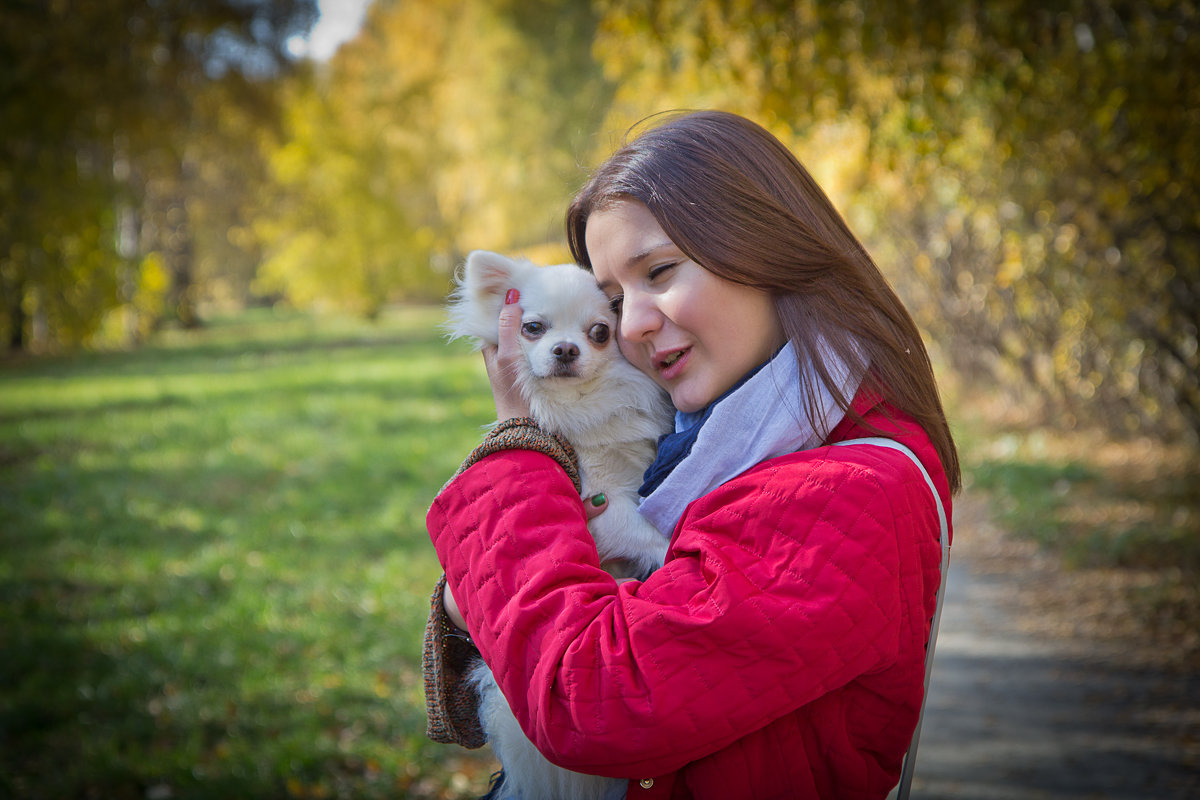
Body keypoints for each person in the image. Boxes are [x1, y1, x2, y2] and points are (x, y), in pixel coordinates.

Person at [425, 110, 960, 799]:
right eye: (614, 300)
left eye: (661, 271)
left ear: (766, 248)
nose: (635, 324)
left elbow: (593, 699)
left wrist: (516, 448)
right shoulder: (701, 444)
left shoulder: (851, 488)